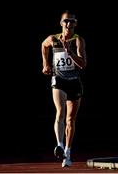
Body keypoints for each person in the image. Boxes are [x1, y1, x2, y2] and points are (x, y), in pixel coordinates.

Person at [41, 10, 87, 167]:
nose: (69, 24)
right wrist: (45, 64)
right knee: (60, 112)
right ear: (61, 23)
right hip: (59, 80)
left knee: (70, 119)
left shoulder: (78, 40)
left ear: (75, 24)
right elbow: (43, 45)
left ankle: (67, 152)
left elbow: (83, 64)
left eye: (72, 21)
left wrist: (70, 52)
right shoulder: (53, 39)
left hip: (74, 81)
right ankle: (59, 144)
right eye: (66, 21)